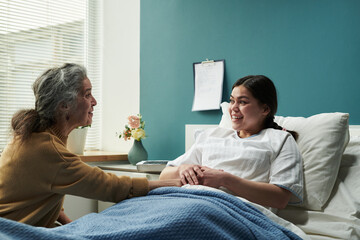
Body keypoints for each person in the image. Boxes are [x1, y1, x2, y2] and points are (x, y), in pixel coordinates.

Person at [0, 63, 181, 228]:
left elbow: (43, 196)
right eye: (87, 95)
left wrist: (69, 226)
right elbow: (110, 186)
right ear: (64, 106)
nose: (94, 101)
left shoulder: (34, 137)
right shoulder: (47, 148)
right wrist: (173, 184)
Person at [160, 75, 303, 210]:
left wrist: (225, 180)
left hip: (234, 210)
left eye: (242, 102)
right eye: (232, 100)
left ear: (265, 109)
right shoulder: (212, 135)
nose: (233, 108)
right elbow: (164, 175)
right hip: (188, 199)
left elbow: (280, 198)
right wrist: (182, 169)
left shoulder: (281, 139)